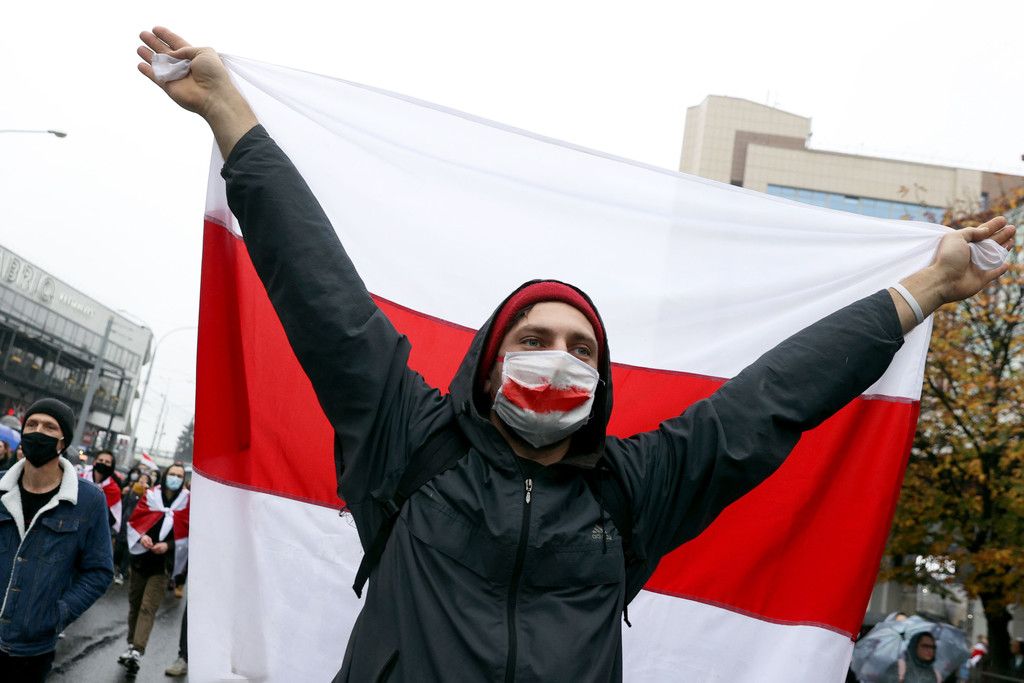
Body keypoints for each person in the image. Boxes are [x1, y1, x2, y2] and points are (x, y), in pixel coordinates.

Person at [138, 27, 1018, 682]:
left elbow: (774, 397)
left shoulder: (637, 489)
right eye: (534, 340)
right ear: (491, 363)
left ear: (601, 377)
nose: (558, 359)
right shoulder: (410, 438)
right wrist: (230, 115)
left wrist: (927, 288)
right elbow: (320, 293)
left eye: (580, 347)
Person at [0, 398, 114, 681]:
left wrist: (58, 614)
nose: (38, 431)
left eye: (49, 427)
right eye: (32, 424)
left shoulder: (88, 501)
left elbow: (99, 572)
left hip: (31, 652)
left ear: (64, 442)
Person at [118, 462, 190, 674]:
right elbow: (134, 521)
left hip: (163, 565)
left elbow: (188, 534)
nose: (175, 478)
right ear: (166, 475)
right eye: (172, 474)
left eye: (179, 475)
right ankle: (131, 645)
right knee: (135, 603)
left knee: (148, 607)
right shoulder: (151, 496)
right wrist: (142, 536)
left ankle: (137, 650)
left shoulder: (188, 501)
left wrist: (168, 546)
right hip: (141, 560)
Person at [80, 449, 123, 536]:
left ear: (112, 466)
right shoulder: (81, 478)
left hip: (95, 532)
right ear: (95, 462)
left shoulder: (114, 490)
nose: (103, 463)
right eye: (101, 460)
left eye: (107, 462)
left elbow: (113, 519)